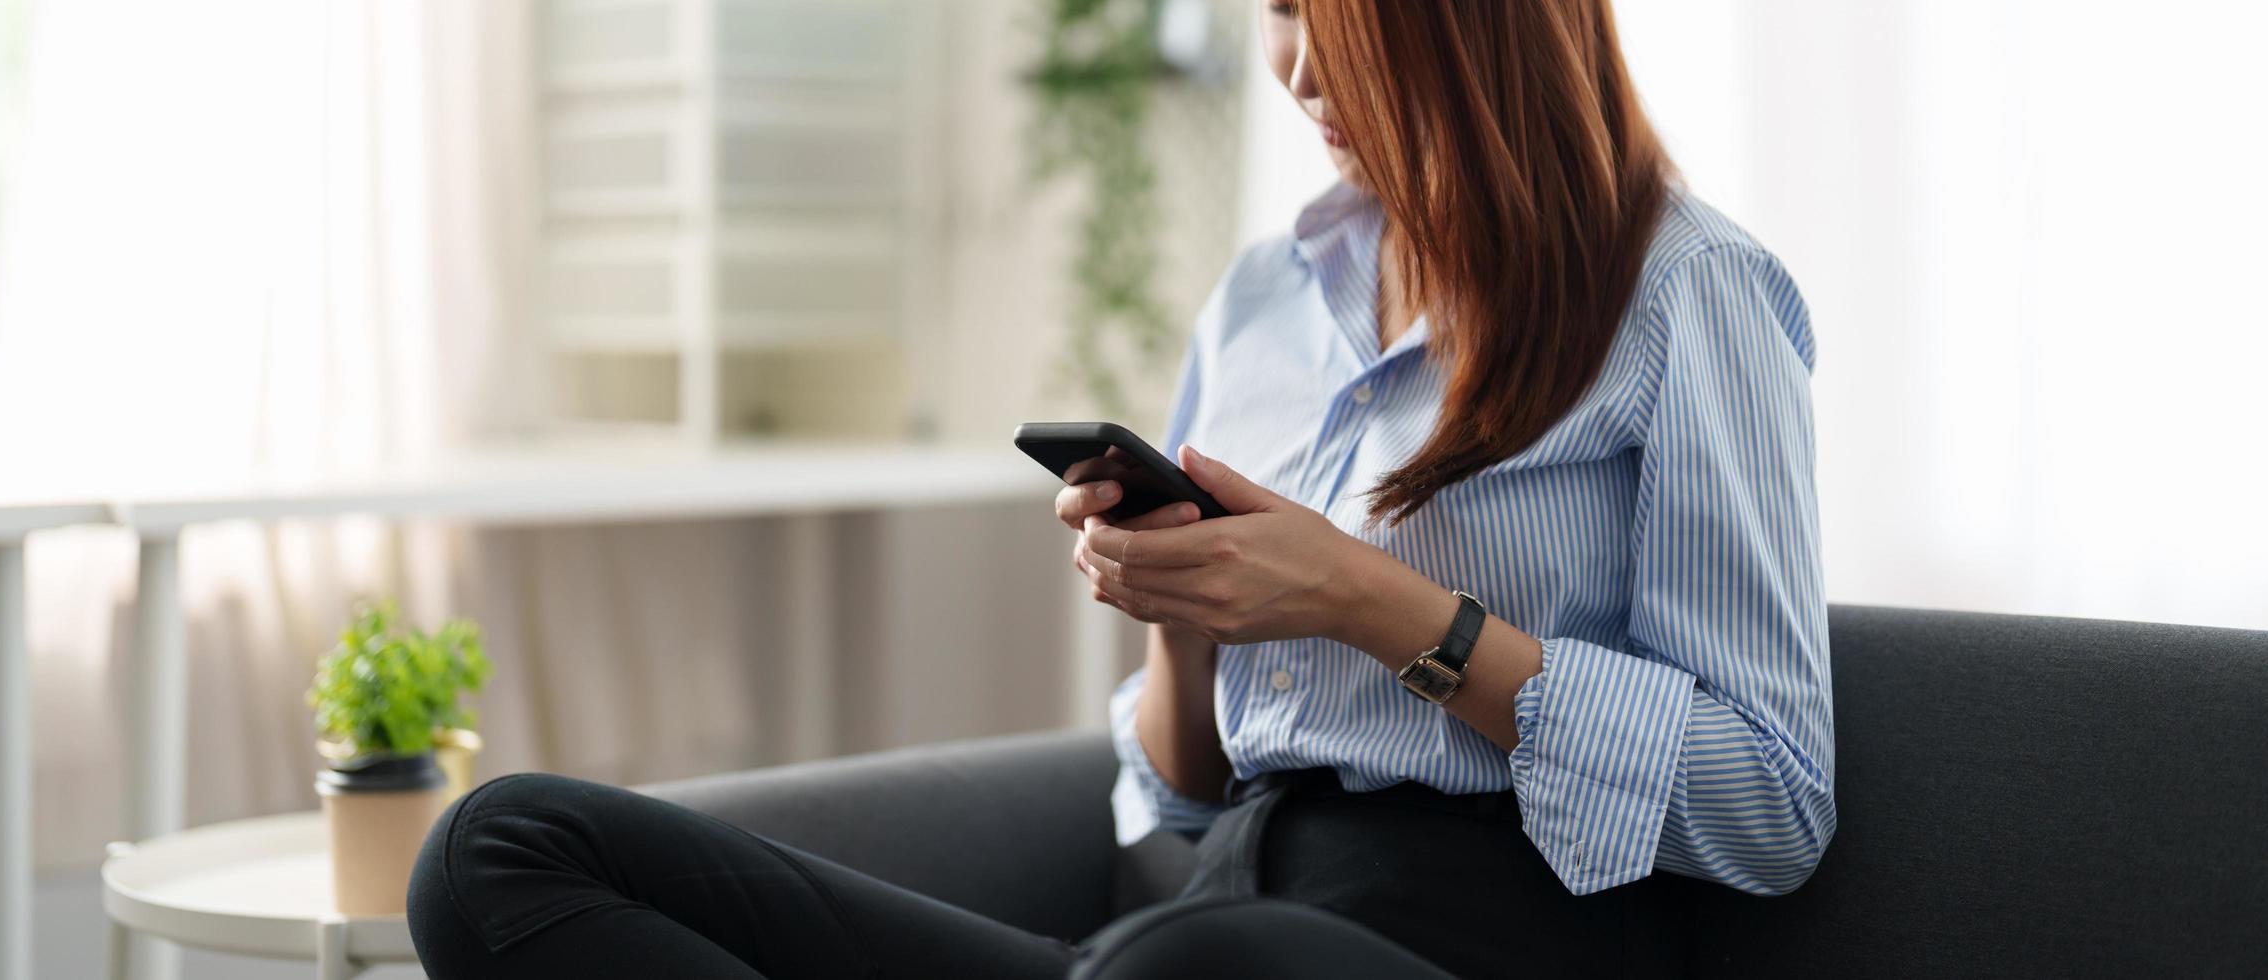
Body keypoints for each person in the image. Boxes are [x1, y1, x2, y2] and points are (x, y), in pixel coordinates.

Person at [406, 1, 1834, 976]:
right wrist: (1182, 609)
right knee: (500, 848)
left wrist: (1364, 600)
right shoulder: (1267, 298)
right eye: (1270, 12)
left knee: (1199, 964)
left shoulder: (1689, 300)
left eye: (1323, 18)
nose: (1293, 72)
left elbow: (1771, 805)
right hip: (1202, 923)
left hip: (1467, 935)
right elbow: (1183, 804)